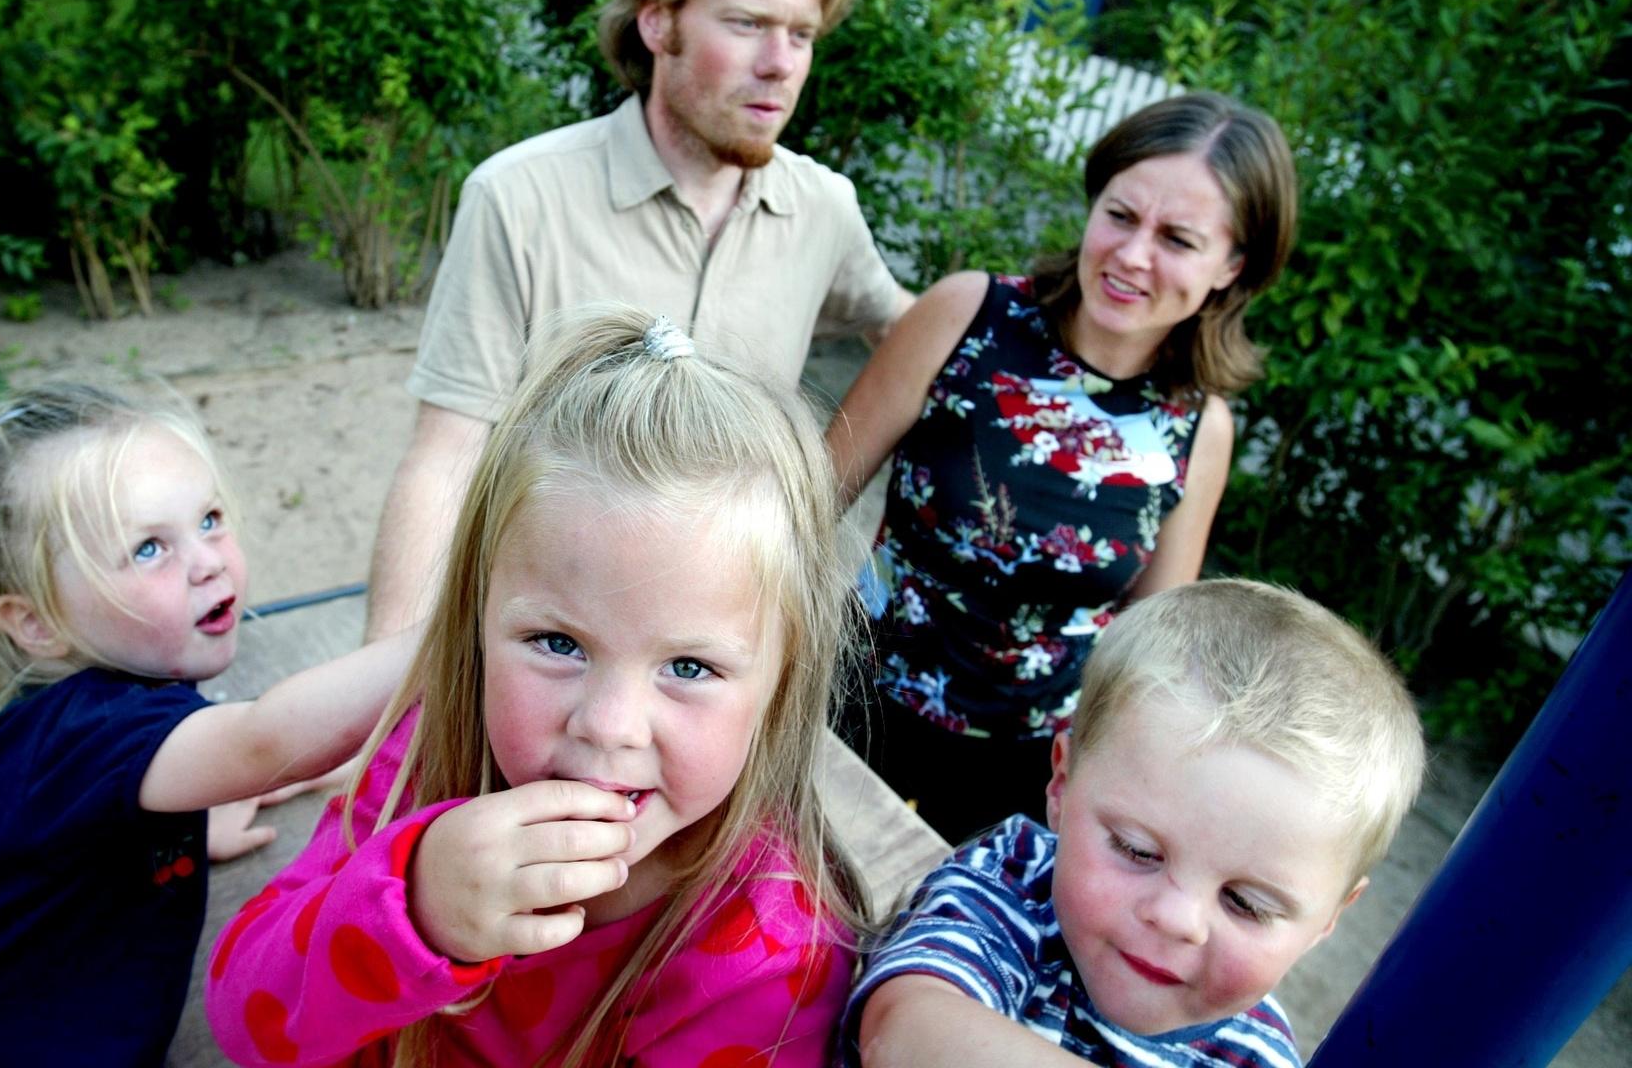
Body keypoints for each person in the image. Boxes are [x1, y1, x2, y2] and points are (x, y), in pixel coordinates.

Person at [206, 305, 867, 1067]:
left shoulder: (769, 956)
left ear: (783, 682)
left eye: (689, 667)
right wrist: (412, 910)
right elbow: (243, 1021)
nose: (609, 725)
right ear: (475, 623)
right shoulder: (420, 758)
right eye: (559, 644)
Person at [0, 383, 410, 1067]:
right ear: (36, 622)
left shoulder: (58, 735)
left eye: (208, 519)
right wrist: (453, 629)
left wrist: (182, 829)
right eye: (148, 549)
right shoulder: (92, 732)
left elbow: (65, 841)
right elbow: (267, 741)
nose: (208, 561)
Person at [365, 0, 914, 642]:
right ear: (659, 21)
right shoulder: (519, 200)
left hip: (725, 649)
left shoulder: (823, 209)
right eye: (748, 23)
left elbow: (921, 337)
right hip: (549, 636)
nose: (781, 63)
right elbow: (447, 456)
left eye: (802, 35)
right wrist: (394, 673)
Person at [828, 91, 1298, 841]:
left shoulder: (1199, 427)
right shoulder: (965, 316)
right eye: (1121, 215)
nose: (1132, 254)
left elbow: (1151, 648)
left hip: (1025, 780)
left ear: (1232, 266)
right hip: (851, 705)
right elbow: (809, 498)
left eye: (1177, 239)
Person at [846, 579, 1426, 1067]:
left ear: (1329, 919)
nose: (1177, 919)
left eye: (1246, 904)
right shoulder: (1011, 886)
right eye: (1136, 850)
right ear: (1062, 784)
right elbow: (904, 1032)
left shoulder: (1258, 1055)